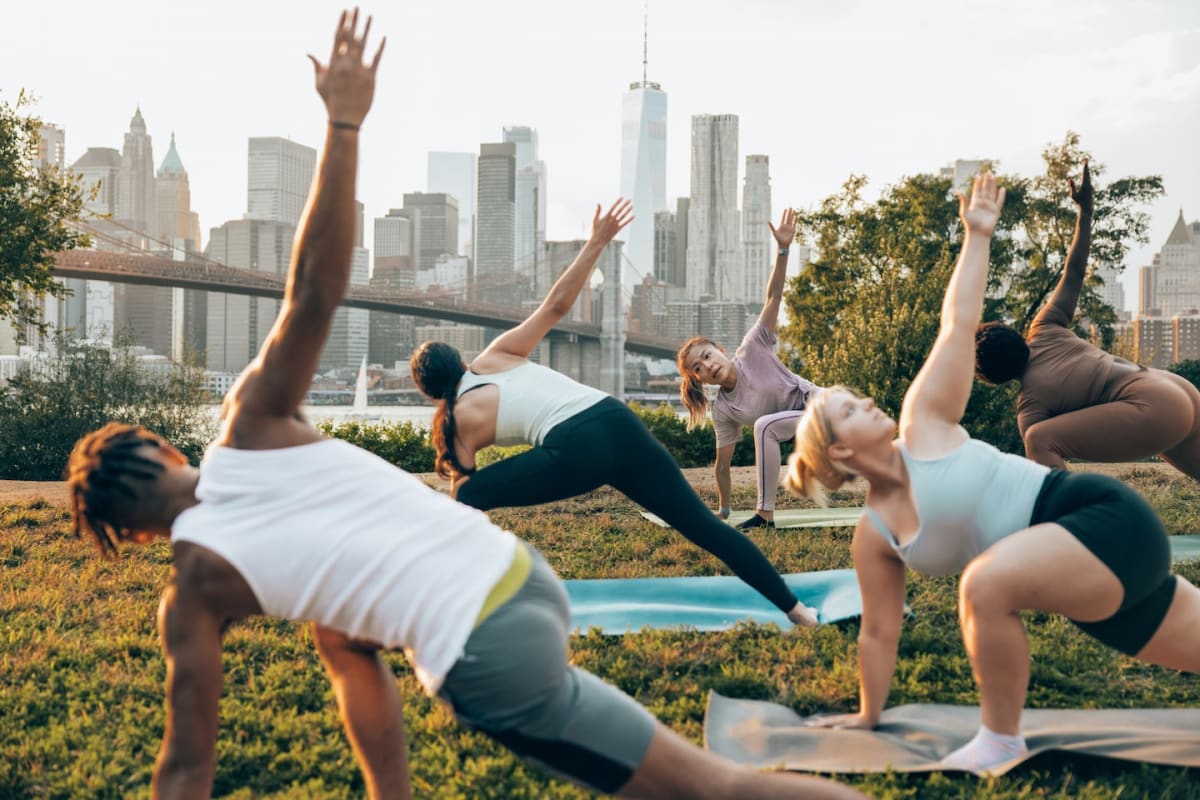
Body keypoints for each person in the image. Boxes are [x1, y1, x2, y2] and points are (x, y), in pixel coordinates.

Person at [66, 14, 867, 799]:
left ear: (128, 533)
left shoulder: (198, 592)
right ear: (166, 450)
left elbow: (183, 770)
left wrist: (459, 476)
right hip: (525, 571)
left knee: (702, 780)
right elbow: (318, 291)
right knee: (357, 623)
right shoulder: (255, 427)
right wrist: (344, 124)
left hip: (486, 641)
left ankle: (781, 618)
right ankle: (794, 607)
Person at [784, 172, 1200, 772]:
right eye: (850, 409)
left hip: (1097, 518)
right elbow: (877, 633)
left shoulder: (923, 423)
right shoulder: (875, 536)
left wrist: (977, 235)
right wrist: (868, 715)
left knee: (980, 585)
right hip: (1094, 578)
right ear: (840, 453)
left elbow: (958, 325)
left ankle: (1000, 741)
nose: (869, 404)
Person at [409, 203, 817, 628]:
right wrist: (597, 242)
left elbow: (463, 505)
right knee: (703, 527)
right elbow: (555, 307)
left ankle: (486, 597)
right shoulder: (495, 356)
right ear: (459, 360)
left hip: (577, 448)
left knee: (466, 497)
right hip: (616, 420)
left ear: (431, 393)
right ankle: (797, 611)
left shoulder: (455, 424)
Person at [974, 160, 1200, 479]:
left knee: (1039, 439)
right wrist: (1086, 211)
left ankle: (1070, 520)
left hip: (1154, 408)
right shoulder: (1045, 327)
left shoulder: (1031, 409)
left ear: (992, 378)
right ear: (1013, 334)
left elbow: (1039, 459)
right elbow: (1075, 271)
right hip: (1174, 387)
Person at [676, 208, 820, 530]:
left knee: (880, 437)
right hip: (802, 427)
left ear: (720, 350)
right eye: (698, 368)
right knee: (766, 427)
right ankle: (764, 516)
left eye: (708, 355)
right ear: (699, 380)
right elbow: (722, 467)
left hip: (821, 406)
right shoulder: (724, 410)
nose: (707, 365)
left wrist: (783, 250)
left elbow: (773, 297)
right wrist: (724, 511)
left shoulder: (753, 346)